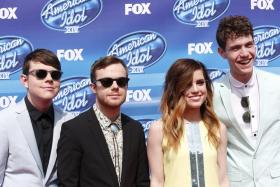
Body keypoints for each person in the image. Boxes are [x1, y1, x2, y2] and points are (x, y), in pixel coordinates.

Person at [57, 56, 150, 187]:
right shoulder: (74, 129)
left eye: (121, 81)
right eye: (107, 82)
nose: (115, 86)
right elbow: (67, 183)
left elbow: (142, 181)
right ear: (93, 87)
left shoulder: (135, 129)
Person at [213, 15, 280, 186]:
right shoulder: (211, 93)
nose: (245, 53)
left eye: (249, 45)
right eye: (235, 48)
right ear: (222, 53)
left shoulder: (277, 85)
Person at [147, 58, 229, 187]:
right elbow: (157, 181)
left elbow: (223, 179)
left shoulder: (218, 128)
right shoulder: (159, 129)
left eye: (200, 82)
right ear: (175, 88)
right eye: (188, 84)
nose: (196, 89)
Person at [0, 48, 73, 187]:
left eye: (55, 75)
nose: (49, 79)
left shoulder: (68, 121)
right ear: (24, 80)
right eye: (40, 74)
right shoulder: (4, 120)